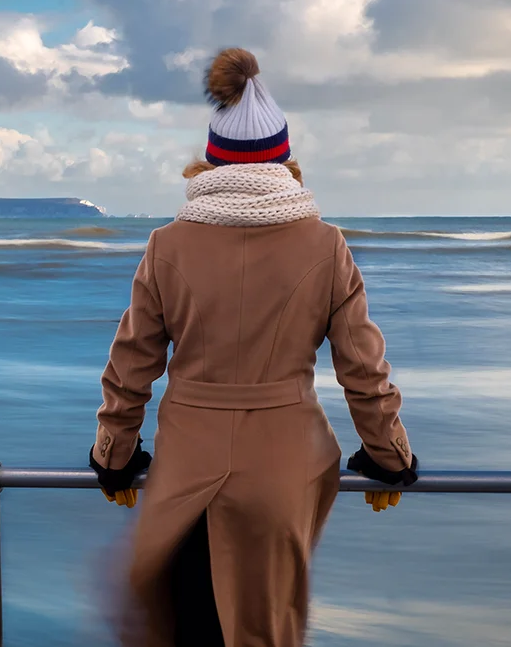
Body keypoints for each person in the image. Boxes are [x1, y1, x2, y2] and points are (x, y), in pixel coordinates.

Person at [88, 47, 419, 647]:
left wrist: (114, 456)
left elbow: (131, 366)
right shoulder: (326, 245)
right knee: (264, 631)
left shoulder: (168, 245)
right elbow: (364, 371)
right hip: (284, 470)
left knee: (182, 627)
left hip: (187, 469)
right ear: (284, 158)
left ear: (211, 161)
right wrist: (389, 459)